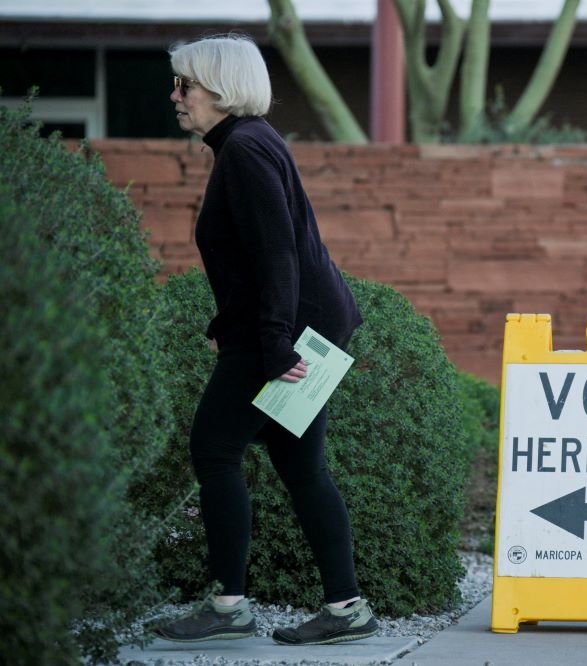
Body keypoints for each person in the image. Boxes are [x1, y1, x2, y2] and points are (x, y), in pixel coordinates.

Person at [153, 34, 376, 646]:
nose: (176, 95)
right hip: (300, 327)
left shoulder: (246, 151)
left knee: (214, 448)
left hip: (281, 333)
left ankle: (228, 607)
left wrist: (276, 345)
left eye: (186, 85)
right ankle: (347, 609)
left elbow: (277, 255)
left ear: (221, 90)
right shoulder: (250, 144)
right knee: (301, 466)